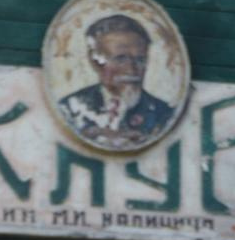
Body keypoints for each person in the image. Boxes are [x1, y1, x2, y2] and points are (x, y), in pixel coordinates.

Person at [56, 13, 176, 149]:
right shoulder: (69, 109)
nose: (131, 70)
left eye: (140, 60)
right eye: (121, 59)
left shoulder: (164, 115)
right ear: (95, 61)